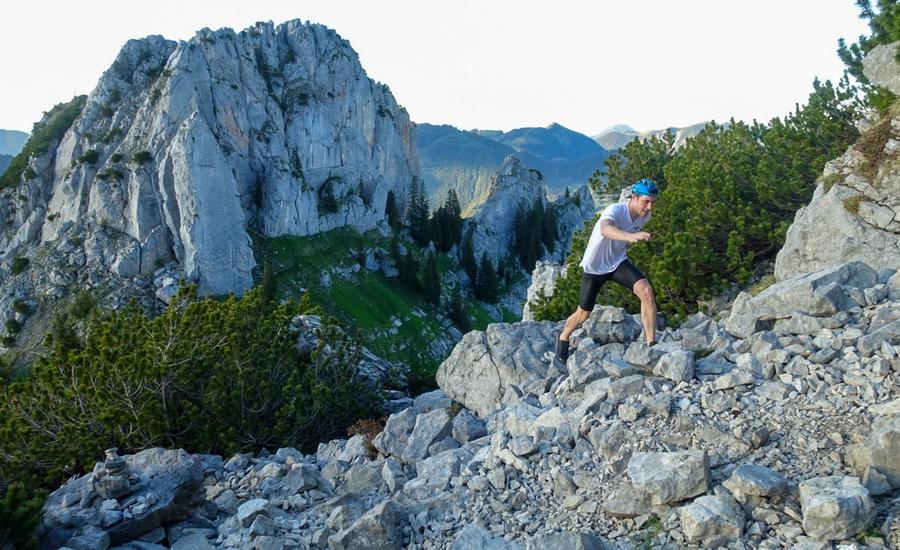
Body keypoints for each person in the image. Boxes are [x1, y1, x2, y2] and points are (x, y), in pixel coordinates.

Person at [555, 178, 660, 362]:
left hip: (618, 263)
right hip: (595, 267)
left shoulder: (645, 215)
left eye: (653, 202)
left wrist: (629, 238)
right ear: (634, 198)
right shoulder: (616, 210)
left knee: (646, 291)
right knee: (583, 314)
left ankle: (652, 344)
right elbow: (605, 229)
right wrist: (629, 236)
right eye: (646, 202)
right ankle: (563, 337)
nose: (650, 207)